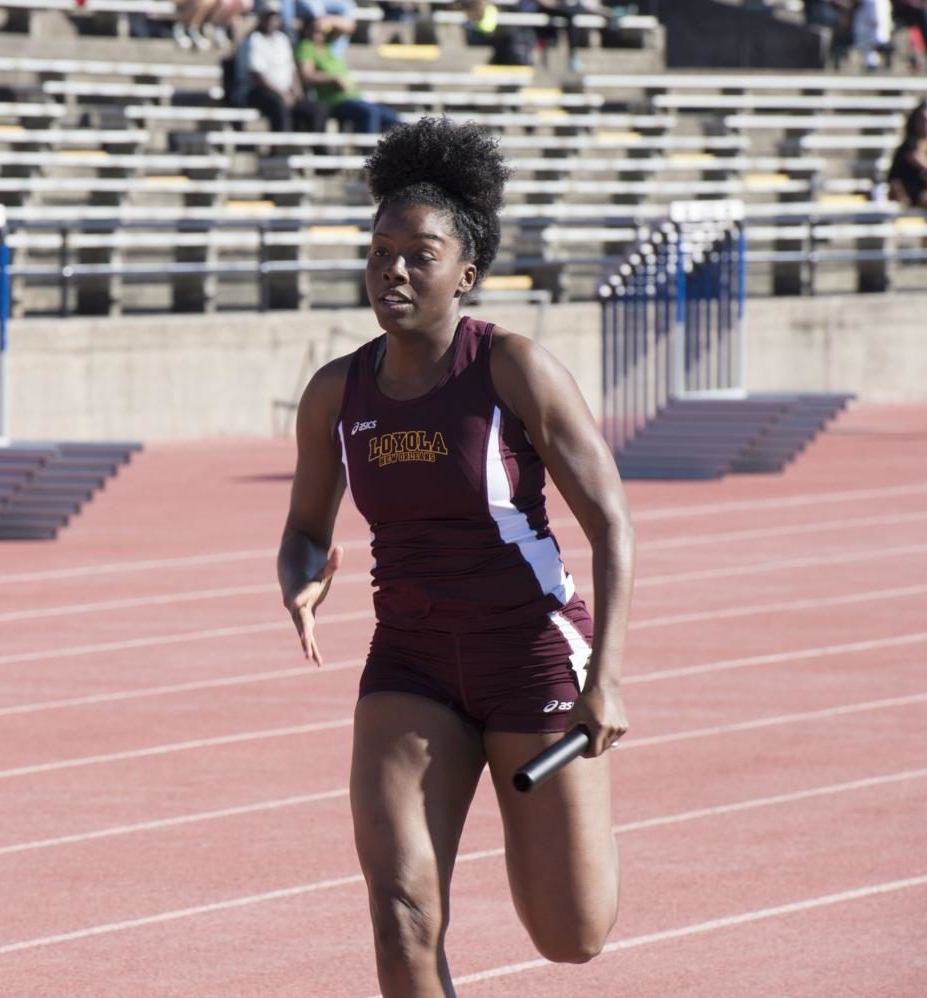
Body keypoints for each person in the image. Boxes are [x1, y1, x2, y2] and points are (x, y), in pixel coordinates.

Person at [277, 116, 633, 994]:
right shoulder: (335, 393)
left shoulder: (512, 368)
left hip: (532, 651)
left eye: (419, 253)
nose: (392, 269)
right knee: (402, 913)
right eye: (380, 250)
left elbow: (614, 525)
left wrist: (608, 677)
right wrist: (301, 577)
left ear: (465, 273)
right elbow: (303, 531)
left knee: (570, 933)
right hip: (412, 661)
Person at [296, 15, 401, 133]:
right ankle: (369, 150)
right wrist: (332, 79)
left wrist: (328, 20)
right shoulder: (306, 47)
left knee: (393, 119)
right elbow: (307, 76)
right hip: (334, 100)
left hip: (353, 97)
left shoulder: (326, 44)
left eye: (321, 31)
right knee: (370, 113)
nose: (319, 34)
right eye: (315, 30)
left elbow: (350, 27)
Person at [239, 4, 327, 133]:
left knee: (316, 110)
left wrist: (297, 94)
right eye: (268, 17)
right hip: (258, 92)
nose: (271, 20)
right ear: (261, 18)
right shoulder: (253, 40)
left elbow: (292, 71)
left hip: (285, 92)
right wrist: (281, 94)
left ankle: (319, 150)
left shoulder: (282, 40)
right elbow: (257, 76)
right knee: (278, 105)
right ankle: (282, 147)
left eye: (275, 17)